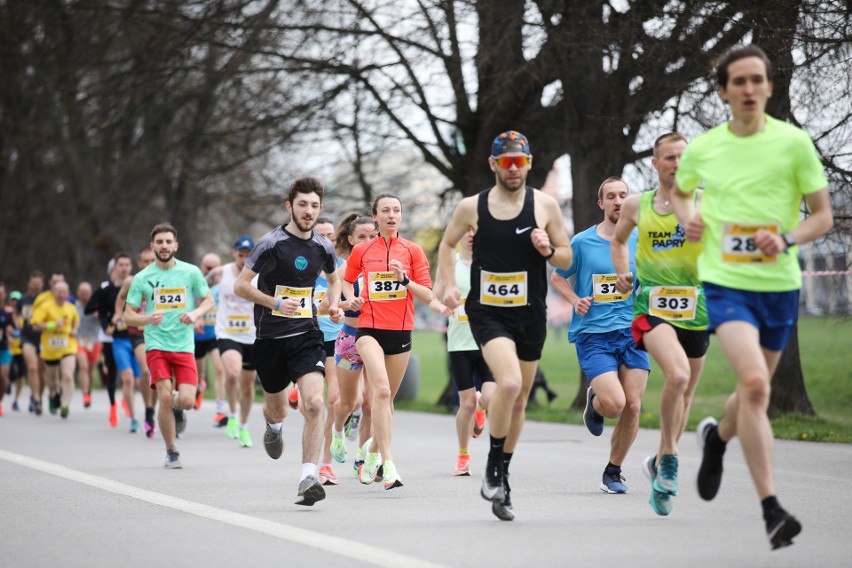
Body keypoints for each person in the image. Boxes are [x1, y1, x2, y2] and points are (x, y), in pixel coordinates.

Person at [671, 45, 833, 550]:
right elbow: (679, 191)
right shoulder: (705, 147)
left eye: (756, 80)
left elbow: (822, 217)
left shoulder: (794, 144)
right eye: (737, 81)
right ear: (723, 91)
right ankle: (771, 509)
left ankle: (717, 441)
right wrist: (686, 215)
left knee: (755, 391)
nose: (747, 89)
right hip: (725, 280)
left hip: (779, 284)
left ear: (768, 86)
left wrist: (786, 238)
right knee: (757, 384)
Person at [438, 130, 572, 521]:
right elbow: (447, 245)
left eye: (520, 161)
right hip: (488, 312)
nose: (514, 168)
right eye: (506, 161)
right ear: (494, 164)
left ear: (530, 163)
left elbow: (565, 258)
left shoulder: (545, 205)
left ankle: (502, 475)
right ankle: (493, 465)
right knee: (508, 384)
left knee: (520, 399)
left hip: (530, 314)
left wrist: (548, 249)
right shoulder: (471, 207)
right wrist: (447, 284)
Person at [611, 133, 709, 516]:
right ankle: (670, 458)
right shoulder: (638, 204)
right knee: (678, 376)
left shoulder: (705, 202)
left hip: (697, 308)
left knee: (684, 394)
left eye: (684, 157)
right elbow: (619, 243)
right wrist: (623, 274)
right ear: (656, 164)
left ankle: (656, 461)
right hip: (652, 306)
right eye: (669, 157)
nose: (677, 164)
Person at [234, 176, 344, 506]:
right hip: (269, 338)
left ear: (320, 208)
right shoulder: (271, 244)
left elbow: (334, 278)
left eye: (314, 206)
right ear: (289, 207)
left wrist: (335, 304)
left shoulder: (323, 246)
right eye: (302, 205)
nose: (308, 211)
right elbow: (241, 286)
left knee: (314, 403)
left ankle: (307, 476)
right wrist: (275, 303)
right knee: (278, 406)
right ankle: (273, 424)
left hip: (306, 335)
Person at [551, 177, 649, 494]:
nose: (618, 201)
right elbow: (558, 276)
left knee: (633, 407)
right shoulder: (581, 242)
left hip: (634, 331)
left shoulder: (641, 240)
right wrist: (574, 300)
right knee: (616, 404)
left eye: (623, 195)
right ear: (601, 204)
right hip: (594, 334)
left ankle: (613, 472)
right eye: (611, 196)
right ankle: (596, 403)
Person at [342, 193, 435, 491]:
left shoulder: (413, 251)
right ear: (376, 216)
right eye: (386, 211)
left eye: (396, 210)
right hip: (368, 329)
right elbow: (346, 278)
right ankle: (389, 464)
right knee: (380, 390)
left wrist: (405, 280)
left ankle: (371, 453)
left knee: (387, 401)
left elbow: (428, 295)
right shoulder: (362, 250)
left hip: (401, 332)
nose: (392, 215)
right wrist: (350, 297)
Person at [124, 223, 215, 468]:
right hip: (156, 344)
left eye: (168, 242)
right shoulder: (142, 278)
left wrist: (196, 313)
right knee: (163, 397)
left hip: (184, 345)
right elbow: (127, 315)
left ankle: (178, 408)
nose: (164, 246)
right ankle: (171, 450)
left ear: (176, 245)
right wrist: (146, 319)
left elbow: (208, 300)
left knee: (186, 400)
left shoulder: (191, 272)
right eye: (159, 242)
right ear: (152, 246)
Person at [430, 229, 494, 476]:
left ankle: (482, 408)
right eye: (466, 229)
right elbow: (434, 296)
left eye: (477, 229)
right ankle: (463, 455)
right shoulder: (450, 264)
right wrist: (443, 305)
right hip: (460, 343)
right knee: (465, 403)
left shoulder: (492, 262)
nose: (471, 234)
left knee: (488, 396)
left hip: (489, 342)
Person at [327, 213, 377, 477]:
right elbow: (328, 305)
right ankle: (338, 431)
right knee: (349, 403)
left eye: (372, 236)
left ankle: (363, 457)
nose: (368, 241)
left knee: (372, 403)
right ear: (350, 239)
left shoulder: (385, 267)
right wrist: (342, 306)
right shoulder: (344, 270)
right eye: (362, 237)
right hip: (350, 339)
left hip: (378, 339)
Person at [209, 235, 258, 448]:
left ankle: (244, 426)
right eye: (241, 255)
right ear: (234, 254)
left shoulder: (260, 275)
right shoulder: (220, 273)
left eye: (248, 255)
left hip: (252, 335)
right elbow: (199, 289)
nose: (244, 259)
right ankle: (232, 414)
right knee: (232, 372)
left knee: (247, 386)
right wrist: (196, 314)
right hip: (227, 333)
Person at [312, 217, 344, 485]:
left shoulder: (345, 269)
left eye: (330, 236)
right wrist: (321, 309)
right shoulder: (302, 268)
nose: (326, 240)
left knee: (334, 401)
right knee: (312, 405)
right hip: (306, 339)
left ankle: (325, 465)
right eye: (320, 235)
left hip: (335, 340)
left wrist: (341, 307)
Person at [115, 246, 159, 437]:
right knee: (146, 370)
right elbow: (121, 299)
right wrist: (119, 316)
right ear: (139, 264)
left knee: (158, 375)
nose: (149, 264)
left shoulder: (164, 280)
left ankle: (152, 409)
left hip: (158, 331)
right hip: (137, 331)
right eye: (145, 261)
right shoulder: (132, 281)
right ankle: (148, 408)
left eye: (152, 261)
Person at [86, 255, 133, 427]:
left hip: (130, 335)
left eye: (127, 265)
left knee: (131, 375)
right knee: (113, 372)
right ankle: (113, 406)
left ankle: (127, 400)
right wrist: (106, 320)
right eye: (120, 265)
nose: (124, 269)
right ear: (113, 269)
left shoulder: (134, 286)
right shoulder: (105, 289)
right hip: (110, 337)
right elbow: (89, 307)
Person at [30, 280, 79, 418]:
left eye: (64, 291)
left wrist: (74, 329)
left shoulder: (71, 308)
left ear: (68, 293)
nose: (61, 294)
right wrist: (52, 325)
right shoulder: (45, 307)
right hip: (50, 348)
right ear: (53, 292)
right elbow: (35, 325)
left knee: (68, 375)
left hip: (68, 346)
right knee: (53, 381)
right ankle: (53, 394)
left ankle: (65, 405)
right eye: (58, 291)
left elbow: (76, 321)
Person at [194, 252, 224, 412]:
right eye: (208, 267)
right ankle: (200, 386)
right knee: (200, 373)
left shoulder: (224, 283)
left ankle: (220, 408)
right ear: (202, 267)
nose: (211, 271)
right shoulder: (196, 282)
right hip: (198, 334)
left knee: (219, 368)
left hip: (216, 334)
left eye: (214, 268)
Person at [19, 272, 45, 414]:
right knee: (32, 367)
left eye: (38, 284)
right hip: (27, 337)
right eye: (33, 284)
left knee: (41, 371)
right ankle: (35, 398)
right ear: (29, 284)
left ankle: (38, 397)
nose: (35, 287)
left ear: (42, 284)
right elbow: (17, 314)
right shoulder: (24, 299)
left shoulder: (46, 299)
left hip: (42, 338)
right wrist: (17, 322)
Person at [74, 282, 102, 409]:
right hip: (79, 340)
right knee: (83, 366)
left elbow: (105, 319)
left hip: (94, 342)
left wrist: (99, 315)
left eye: (87, 292)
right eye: (82, 292)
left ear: (90, 293)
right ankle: (85, 394)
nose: (84, 295)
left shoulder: (96, 306)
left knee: (90, 369)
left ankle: (88, 391)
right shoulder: (74, 307)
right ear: (78, 293)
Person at [0, 283, 14, 415]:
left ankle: (0, 402)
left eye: (1, 293)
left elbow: (15, 327)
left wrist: (10, 331)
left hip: (3, 348)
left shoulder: (8, 311)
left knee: (4, 378)